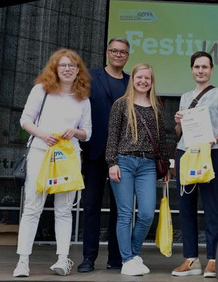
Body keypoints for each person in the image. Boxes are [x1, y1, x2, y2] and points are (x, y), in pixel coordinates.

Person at [13, 48, 92, 277]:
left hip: (69, 156)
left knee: (64, 209)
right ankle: (23, 261)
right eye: (63, 65)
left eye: (72, 66)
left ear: (78, 70)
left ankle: (63, 259)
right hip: (40, 152)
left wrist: (75, 132)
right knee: (32, 207)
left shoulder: (82, 98)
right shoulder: (41, 90)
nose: (68, 69)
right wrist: (42, 134)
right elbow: (25, 120)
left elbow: (88, 132)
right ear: (55, 68)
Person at [171, 51, 218, 278]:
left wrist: (215, 139)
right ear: (191, 70)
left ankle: (212, 259)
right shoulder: (185, 96)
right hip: (185, 153)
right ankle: (190, 260)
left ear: (211, 70)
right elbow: (179, 133)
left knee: (212, 207)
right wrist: (178, 122)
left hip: (209, 153)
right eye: (196, 67)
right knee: (185, 206)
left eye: (204, 67)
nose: (200, 70)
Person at [106, 63, 170, 276]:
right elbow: (112, 135)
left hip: (148, 165)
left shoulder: (156, 106)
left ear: (152, 82)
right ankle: (127, 260)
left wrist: (166, 165)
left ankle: (132, 254)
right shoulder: (121, 104)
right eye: (139, 77)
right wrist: (111, 163)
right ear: (132, 79)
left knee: (146, 214)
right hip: (123, 162)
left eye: (147, 79)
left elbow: (161, 140)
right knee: (125, 214)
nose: (143, 81)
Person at [77, 37, 130, 273]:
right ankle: (88, 257)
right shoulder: (90, 77)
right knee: (91, 206)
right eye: (114, 51)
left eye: (123, 52)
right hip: (94, 153)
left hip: (123, 154)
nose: (118, 55)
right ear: (108, 53)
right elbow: (78, 110)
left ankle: (116, 258)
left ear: (127, 56)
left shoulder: (132, 83)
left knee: (120, 208)